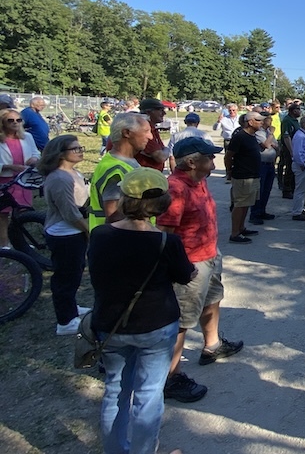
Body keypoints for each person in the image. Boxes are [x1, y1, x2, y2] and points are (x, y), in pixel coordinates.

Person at [88, 168, 195, 454]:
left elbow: (97, 274)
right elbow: (185, 275)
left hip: (111, 325)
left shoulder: (100, 235)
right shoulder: (164, 241)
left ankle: (116, 449)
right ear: (160, 203)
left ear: (125, 199)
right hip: (155, 326)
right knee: (148, 394)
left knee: (115, 392)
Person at [158, 137, 244, 404]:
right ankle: (171, 377)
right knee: (181, 321)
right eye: (209, 157)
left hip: (209, 254)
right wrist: (179, 269)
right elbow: (166, 235)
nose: (214, 162)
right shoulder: (176, 189)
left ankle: (212, 345)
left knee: (213, 299)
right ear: (192, 161)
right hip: (190, 265)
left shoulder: (199, 179)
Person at [37, 135, 91, 335]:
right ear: (60, 154)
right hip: (65, 233)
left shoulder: (71, 172)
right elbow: (69, 212)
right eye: (74, 149)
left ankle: (71, 307)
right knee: (65, 277)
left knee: (75, 272)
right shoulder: (60, 177)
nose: (80, 151)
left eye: (80, 147)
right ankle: (65, 321)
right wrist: (88, 230)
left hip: (73, 231)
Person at [88, 113, 152, 232]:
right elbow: (115, 217)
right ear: (126, 133)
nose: (150, 137)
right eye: (146, 131)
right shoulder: (116, 171)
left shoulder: (123, 162)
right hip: (120, 244)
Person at [0, 108, 40, 247]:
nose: (15, 123)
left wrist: (33, 159)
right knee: (3, 214)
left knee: (22, 212)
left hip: (24, 180)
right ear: (2, 123)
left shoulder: (27, 137)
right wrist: (9, 167)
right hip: (4, 180)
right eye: (10, 120)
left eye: (18, 120)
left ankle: (20, 241)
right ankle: (4, 243)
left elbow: (36, 152)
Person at [224, 112, 263, 244]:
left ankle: (241, 228)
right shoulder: (240, 136)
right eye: (258, 120)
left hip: (253, 176)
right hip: (243, 176)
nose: (261, 122)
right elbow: (229, 156)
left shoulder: (252, 136)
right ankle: (234, 233)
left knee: (246, 203)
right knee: (239, 204)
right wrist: (229, 170)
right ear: (250, 122)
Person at [249, 112, 278, 225]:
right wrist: (270, 135)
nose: (270, 121)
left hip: (270, 163)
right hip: (261, 164)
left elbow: (275, 144)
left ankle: (262, 210)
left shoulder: (267, 132)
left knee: (267, 189)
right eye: (267, 119)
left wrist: (271, 140)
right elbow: (266, 145)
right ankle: (255, 213)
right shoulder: (259, 132)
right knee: (259, 190)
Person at [135, 99, 172, 172]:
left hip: (151, 175)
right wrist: (167, 150)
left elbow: (162, 150)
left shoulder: (152, 128)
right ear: (148, 112)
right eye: (160, 110)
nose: (164, 113)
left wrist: (165, 150)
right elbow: (160, 157)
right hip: (145, 176)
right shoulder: (143, 130)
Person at [291, 116, 305, 221]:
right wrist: (301, 164)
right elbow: (296, 152)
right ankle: (296, 212)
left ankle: (300, 208)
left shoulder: (304, 135)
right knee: (300, 189)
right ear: (304, 124)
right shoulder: (300, 136)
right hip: (302, 165)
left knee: (303, 188)